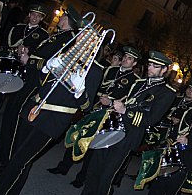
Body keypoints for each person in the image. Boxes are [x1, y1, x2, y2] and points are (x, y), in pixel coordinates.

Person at [0, 43, 104, 195]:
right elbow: (43, 81)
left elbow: (85, 106)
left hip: (53, 122)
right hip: (33, 110)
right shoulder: (65, 54)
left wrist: (79, 91)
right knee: (17, 160)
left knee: (17, 163)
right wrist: (47, 68)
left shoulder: (95, 69)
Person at [58, 51, 177, 195]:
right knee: (93, 174)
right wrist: (112, 102)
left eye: (155, 66)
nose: (150, 68)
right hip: (112, 130)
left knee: (105, 178)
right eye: (150, 64)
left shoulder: (167, 93)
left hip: (128, 137)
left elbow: (151, 119)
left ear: (164, 70)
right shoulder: (138, 83)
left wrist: (125, 112)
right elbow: (127, 103)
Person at [0, 6, 81, 170]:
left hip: (37, 82)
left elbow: (56, 64)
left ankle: (9, 160)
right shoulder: (61, 35)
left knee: (17, 118)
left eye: (62, 16)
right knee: (10, 113)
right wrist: (29, 53)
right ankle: (0, 150)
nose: (59, 18)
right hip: (30, 78)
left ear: (67, 20)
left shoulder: (69, 38)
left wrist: (29, 59)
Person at [46, 46, 141, 185]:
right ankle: (63, 167)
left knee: (94, 144)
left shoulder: (135, 80)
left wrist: (110, 102)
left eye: (130, 59)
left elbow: (128, 100)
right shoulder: (111, 69)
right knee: (79, 134)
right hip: (95, 106)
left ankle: (82, 178)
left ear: (134, 64)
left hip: (108, 113)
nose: (126, 60)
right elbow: (98, 86)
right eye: (125, 57)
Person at [0, 3, 49, 135]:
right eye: (33, 14)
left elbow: (40, 52)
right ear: (29, 15)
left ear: (41, 19)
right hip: (5, 61)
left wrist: (28, 51)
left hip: (18, 67)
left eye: (38, 16)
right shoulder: (18, 27)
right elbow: (7, 42)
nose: (34, 18)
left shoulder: (43, 35)